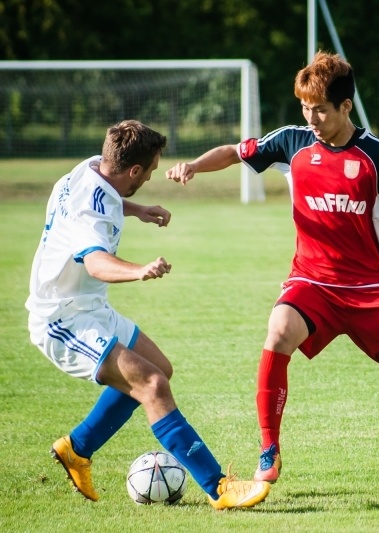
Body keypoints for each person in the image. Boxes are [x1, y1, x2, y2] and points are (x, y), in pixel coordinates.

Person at [165, 51, 379, 489]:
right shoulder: (293, 143)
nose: (311, 118)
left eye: (319, 109)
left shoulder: (377, 156)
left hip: (370, 289)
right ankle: (269, 450)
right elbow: (233, 152)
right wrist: (193, 166)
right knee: (278, 331)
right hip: (311, 282)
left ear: (345, 106)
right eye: (305, 107)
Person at [26, 120, 270, 510]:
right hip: (63, 320)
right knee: (152, 385)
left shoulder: (90, 168)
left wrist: (137, 209)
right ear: (134, 170)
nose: (151, 177)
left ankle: (77, 448)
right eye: (151, 171)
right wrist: (139, 270)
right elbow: (96, 263)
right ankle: (219, 486)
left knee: (160, 369)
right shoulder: (91, 212)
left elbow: (104, 198)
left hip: (90, 307)